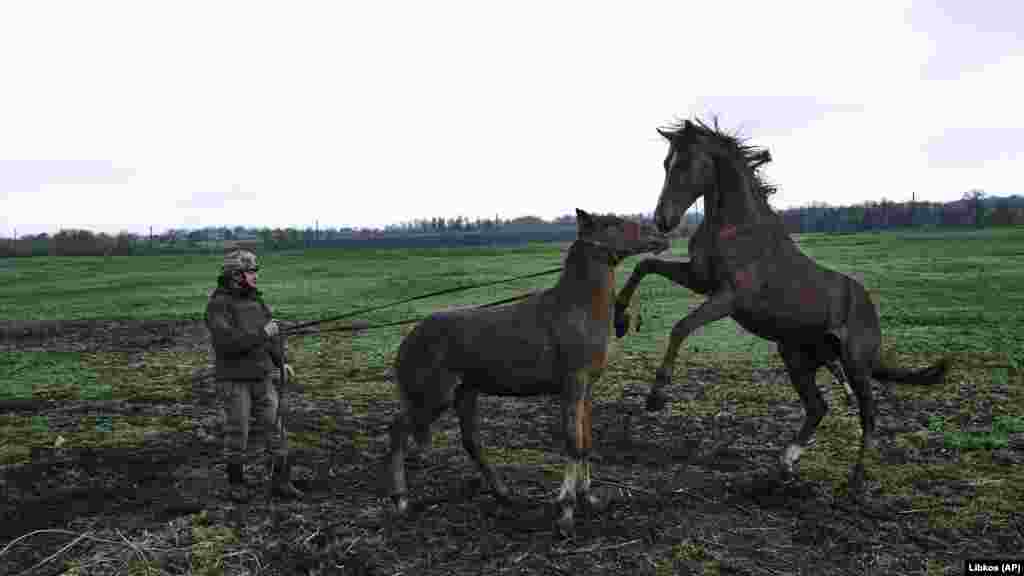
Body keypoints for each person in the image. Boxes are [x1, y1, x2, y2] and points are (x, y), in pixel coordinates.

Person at [205, 249, 303, 502]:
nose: (256, 276)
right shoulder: (218, 305)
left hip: (262, 376)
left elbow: (271, 338)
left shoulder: (257, 301)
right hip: (234, 380)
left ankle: (281, 482)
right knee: (238, 432)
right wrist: (264, 333)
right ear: (236, 276)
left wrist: (281, 363)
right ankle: (236, 484)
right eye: (251, 271)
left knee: (276, 429)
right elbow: (227, 343)